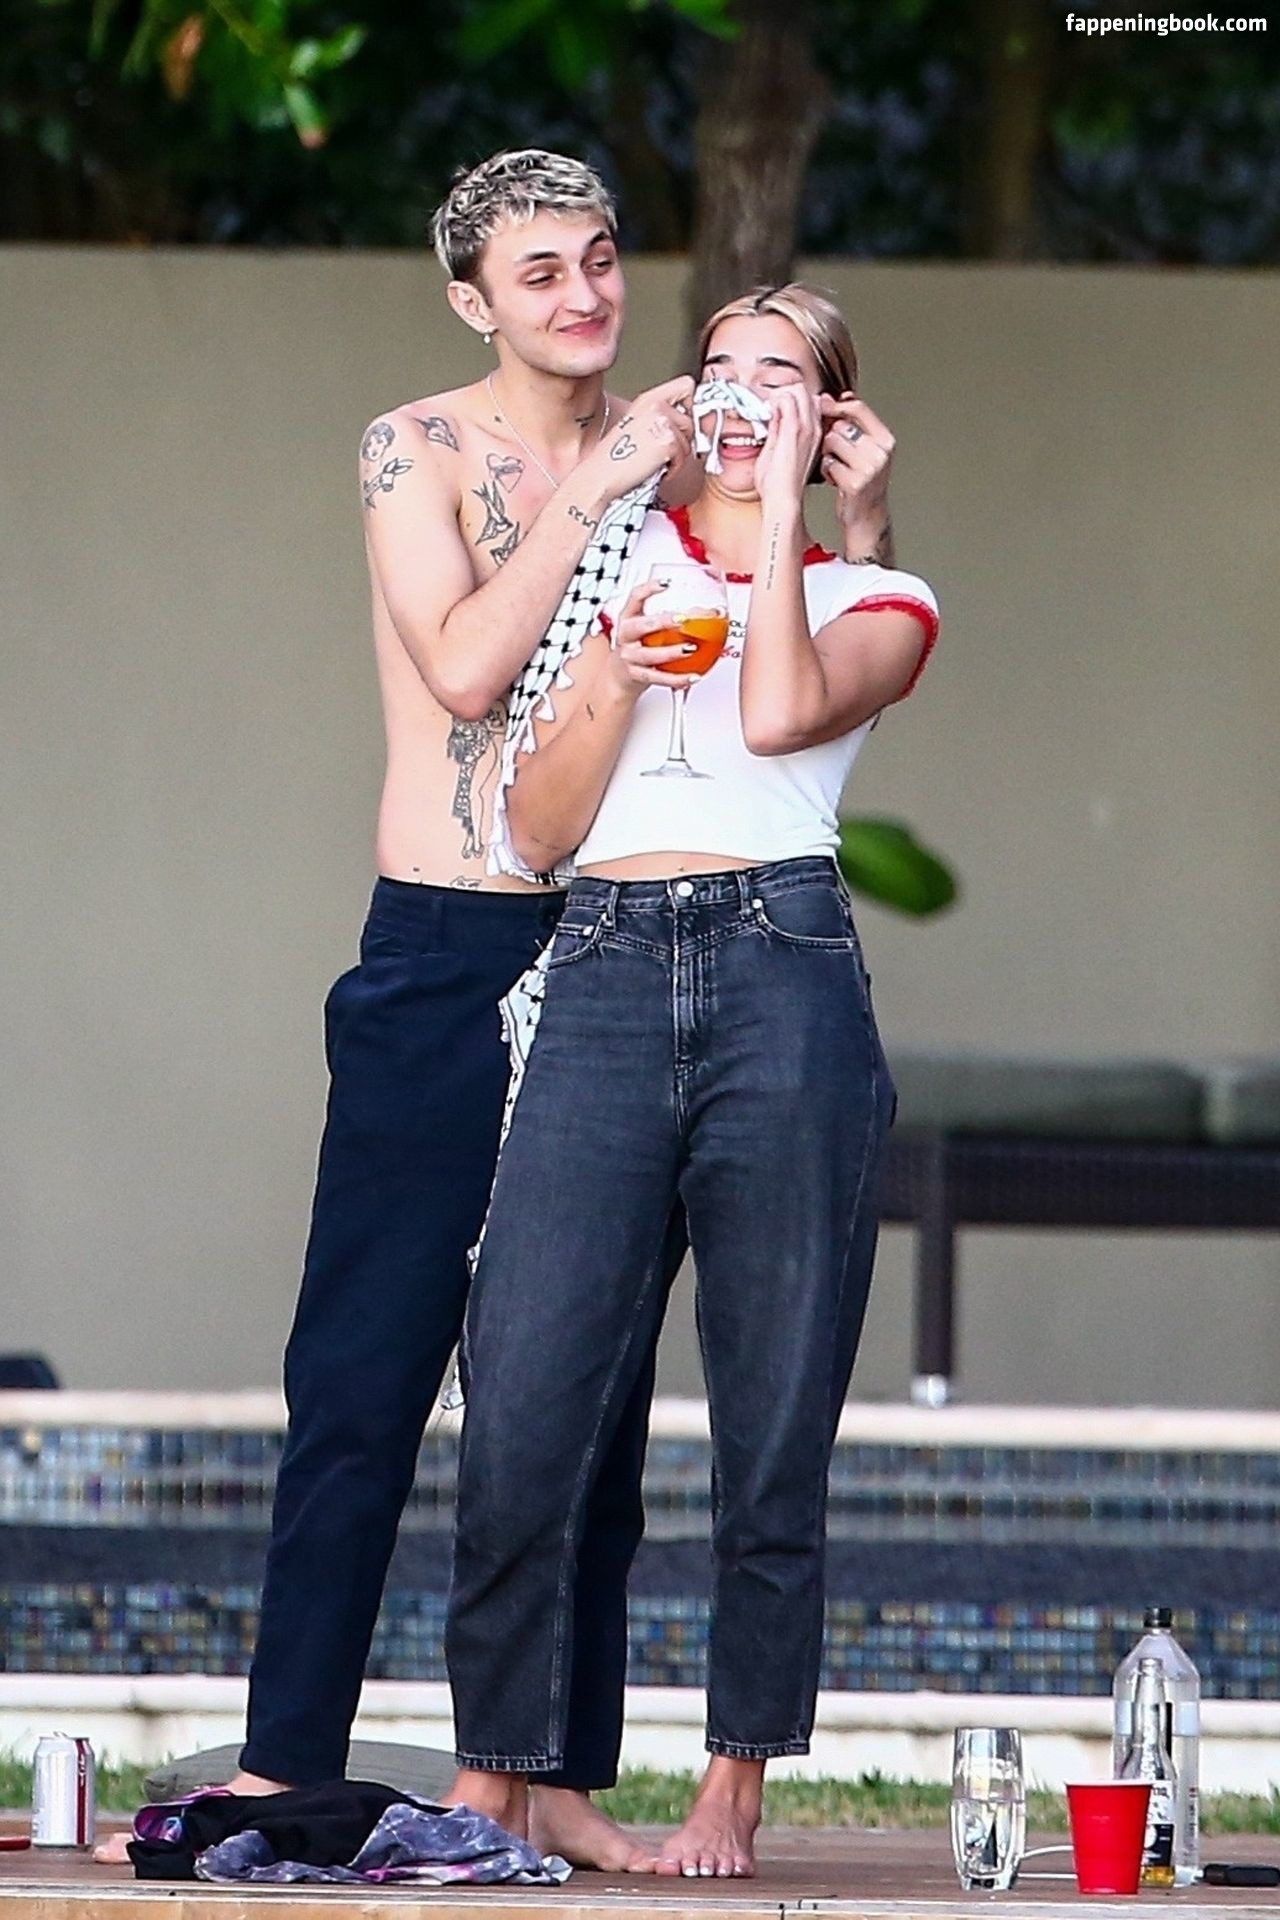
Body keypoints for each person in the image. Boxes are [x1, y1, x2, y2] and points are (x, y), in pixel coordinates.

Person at [92, 150, 895, 1869]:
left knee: (584, 1396)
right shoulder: (421, 447)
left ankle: (551, 1773)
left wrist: (836, 503)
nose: (586, 295)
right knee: (368, 1367)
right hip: (452, 944)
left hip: (629, 945)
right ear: (472, 299)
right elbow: (464, 670)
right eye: (541, 272)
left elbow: (812, 644)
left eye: (601, 260)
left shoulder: (690, 446)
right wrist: (601, 484)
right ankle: (282, 1761)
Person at [443, 283, 939, 1879]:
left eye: (777, 376)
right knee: (524, 1393)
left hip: (782, 970)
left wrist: (797, 519)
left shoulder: (880, 595)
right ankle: (495, 1777)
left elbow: (781, 710)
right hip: (599, 961)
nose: (734, 393)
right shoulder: (614, 560)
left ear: (830, 414)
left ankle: (734, 1780)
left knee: (771, 1413)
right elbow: (535, 827)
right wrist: (616, 669)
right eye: (718, 366)